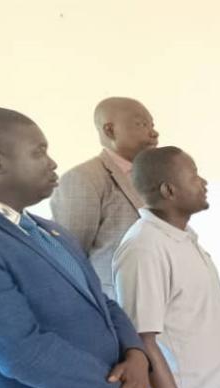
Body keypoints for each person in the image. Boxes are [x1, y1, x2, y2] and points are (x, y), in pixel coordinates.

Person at [0, 106, 150, 388]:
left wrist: (135, 352)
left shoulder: (49, 231)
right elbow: (19, 351)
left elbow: (103, 302)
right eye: (38, 153)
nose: (52, 163)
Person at [113, 146, 220, 388]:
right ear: (169, 190)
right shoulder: (144, 247)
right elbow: (142, 341)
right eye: (194, 176)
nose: (203, 183)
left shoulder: (184, 238)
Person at [50, 97, 160, 297]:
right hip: (117, 304)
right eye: (141, 124)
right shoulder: (83, 178)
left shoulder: (153, 176)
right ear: (110, 130)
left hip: (160, 302)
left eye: (152, 125)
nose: (153, 133)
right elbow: (70, 256)